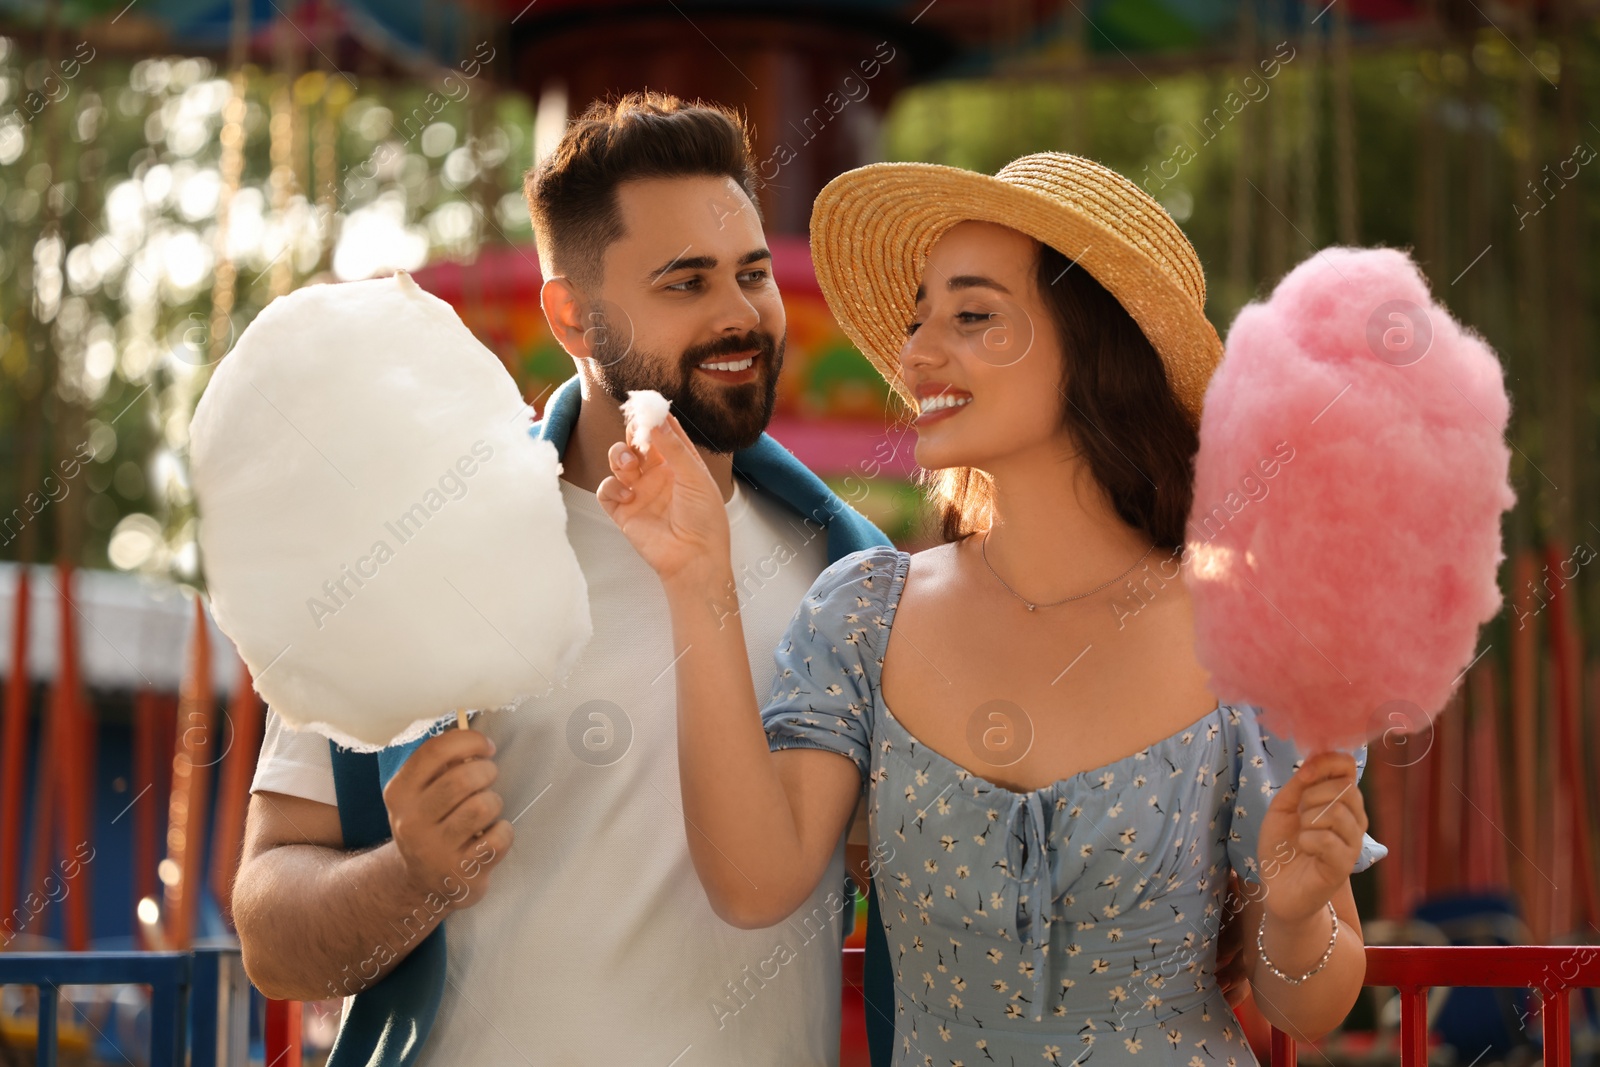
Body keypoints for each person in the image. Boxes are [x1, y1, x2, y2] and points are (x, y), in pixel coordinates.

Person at [597, 152, 1389, 1065]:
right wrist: (698, 578)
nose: (917, 353)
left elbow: (1314, 1005)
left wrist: (1293, 916)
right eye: (918, 317)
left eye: (973, 316)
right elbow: (752, 885)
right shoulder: (864, 616)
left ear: (1096, 345)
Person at [231, 92, 893, 1066]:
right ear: (571, 315)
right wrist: (412, 874)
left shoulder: (852, 575)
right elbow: (270, 935)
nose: (739, 313)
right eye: (685, 282)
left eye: (750, 273)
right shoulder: (411, 559)